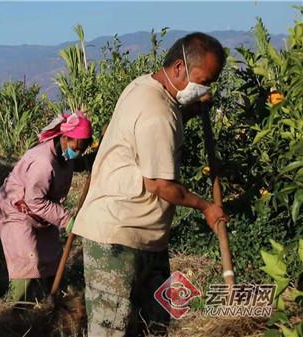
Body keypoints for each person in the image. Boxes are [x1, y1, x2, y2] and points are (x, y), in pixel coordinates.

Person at [72, 32, 229, 336]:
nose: (205, 89)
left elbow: (161, 123)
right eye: (203, 80)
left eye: (210, 83)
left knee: (154, 325)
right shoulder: (157, 112)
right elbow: (160, 184)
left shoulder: (146, 87)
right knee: (112, 330)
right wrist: (206, 206)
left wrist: (188, 111)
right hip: (118, 236)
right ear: (179, 68)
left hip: (147, 234)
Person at [0, 111, 93, 302]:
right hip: (17, 211)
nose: (79, 151)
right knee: (26, 263)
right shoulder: (43, 162)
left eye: (85, 147)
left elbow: (79, 162)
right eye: (78, 146)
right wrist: (66, 219)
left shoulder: (65, 154)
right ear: (65, 138)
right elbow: (35, 201)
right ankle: (15, 310)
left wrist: (98, 156)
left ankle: (53, 300)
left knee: (50, 259)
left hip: (41, 213)